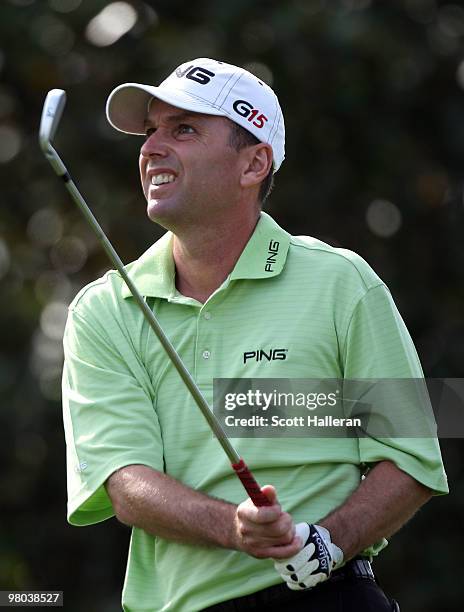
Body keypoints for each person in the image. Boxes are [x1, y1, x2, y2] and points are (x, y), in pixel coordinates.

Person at [62, 58, 448, 612]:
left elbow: (412, 455)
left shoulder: (341, 281)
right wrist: (234, 528)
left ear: (253, 164)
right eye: (150, 132)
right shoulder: (102, 310)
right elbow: (126, 484)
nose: (151, 149)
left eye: (184, 129)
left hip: (325, 596)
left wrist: (328, 543)